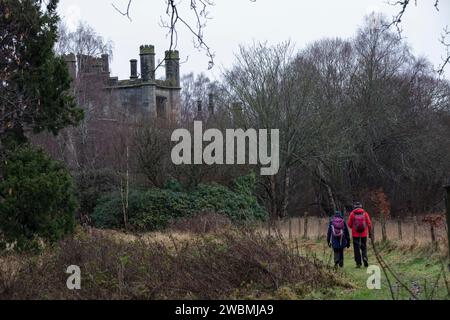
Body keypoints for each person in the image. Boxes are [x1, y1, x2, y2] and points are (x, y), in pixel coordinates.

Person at [347, 202, 372, 268]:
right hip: (364, 234)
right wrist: (370, 233)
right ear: (361, 207)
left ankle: (358, 263)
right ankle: (365, 258)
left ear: (354, 207)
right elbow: (369, 224)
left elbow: (349, 224)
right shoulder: (365, 213)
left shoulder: (352, 214)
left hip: (355, 235)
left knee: (356, 249)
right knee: (364, 247)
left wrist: (354, 227)